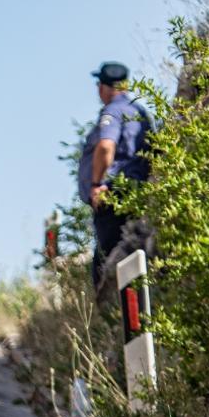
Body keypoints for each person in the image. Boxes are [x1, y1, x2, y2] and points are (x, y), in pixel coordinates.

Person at [78, 61, 152, 291]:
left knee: (106, 265)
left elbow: (106, 147)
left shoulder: (113, 111)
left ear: (103, 87)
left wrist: (96, 184)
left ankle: (111, 320)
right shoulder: (139, 113)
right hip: (136, 194)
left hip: (112, 195)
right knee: (129, 259)